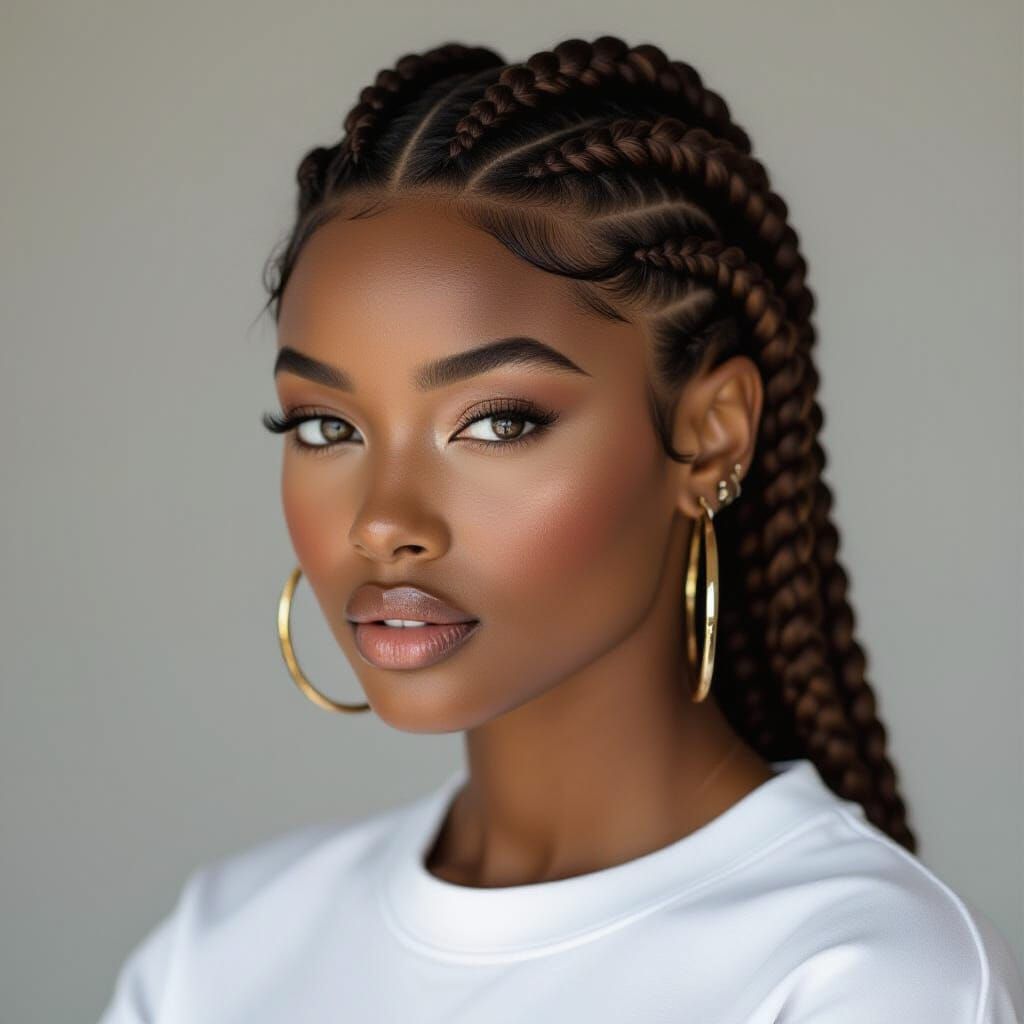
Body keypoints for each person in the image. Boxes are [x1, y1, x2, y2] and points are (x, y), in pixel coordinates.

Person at [98, 34, 1024, 1023]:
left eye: (497, 423)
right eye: (328, 426)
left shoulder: (861, 979)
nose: (382, 523)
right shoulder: (222, 952)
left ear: (709, 438)